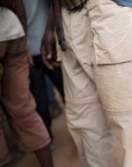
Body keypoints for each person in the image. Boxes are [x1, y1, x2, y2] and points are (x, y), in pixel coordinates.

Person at [42, 0, 132, 166]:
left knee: (131, 128)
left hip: (113, 14)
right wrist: (52, 25)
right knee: (85, 124)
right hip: (65, 18)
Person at [0, 1, 54, 167]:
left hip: (12, 36)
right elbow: (16, 3)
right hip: (12, 32)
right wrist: (24, 45)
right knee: (23, 108)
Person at [22, 0, 65, 143]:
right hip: (50, 46)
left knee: (39, 98)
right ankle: (83, 130)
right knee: (66, 90)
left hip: (30, 51)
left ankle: (48, 139)